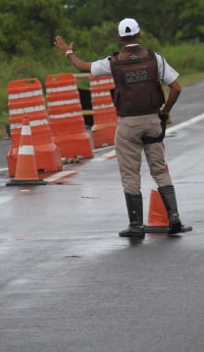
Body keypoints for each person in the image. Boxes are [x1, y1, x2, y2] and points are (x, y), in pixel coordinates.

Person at [54, 18, 184, 238]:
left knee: (130, 174)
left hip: (128, 124)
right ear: (139, 34)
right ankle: (174, 217)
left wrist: (68, 52)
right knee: (159, 170)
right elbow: (176, 88)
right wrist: (163, 112)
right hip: (152, 120)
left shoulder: (112, 62)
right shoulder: (156, 59)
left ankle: (136, 225)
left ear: (119, 38)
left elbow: (83, 67)